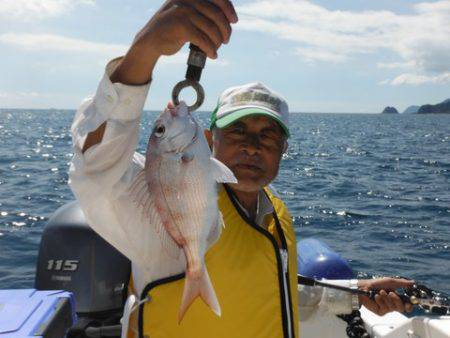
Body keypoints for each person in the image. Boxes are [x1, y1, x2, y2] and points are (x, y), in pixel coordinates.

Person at [69, 1, 413, 337]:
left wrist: (356, 292)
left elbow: (269, 290)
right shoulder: (158, 217)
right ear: (207, 140)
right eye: (237, 131)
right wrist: (144, 51)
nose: (252, 146)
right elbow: (98, 170)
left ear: (283, 151)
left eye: (268, 135)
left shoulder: (274, 212)